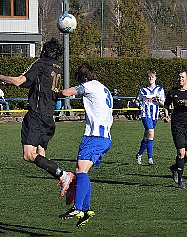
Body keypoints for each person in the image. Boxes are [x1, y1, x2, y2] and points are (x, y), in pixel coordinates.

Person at [0, 38, 74, 199]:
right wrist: (11, 82)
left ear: (45, 51)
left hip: (36, 115)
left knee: (28, 155)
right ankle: (69, 188)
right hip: (49, 117)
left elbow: (20, 81)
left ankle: (63, 175)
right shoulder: (58, 67)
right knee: (41, 153)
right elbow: (32, 83)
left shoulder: (41, 63)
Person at [58, 63, 113, 227]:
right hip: (104, 138)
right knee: (81, 171)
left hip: (94, 136)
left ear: (83, 78)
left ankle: (78, 208)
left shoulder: (89, 86)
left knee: (80, 171)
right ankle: (86, 209)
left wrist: (52, 89)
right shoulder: (103, 88)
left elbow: (65, 93)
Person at [135, 68, 165, 165]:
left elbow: (163, 103)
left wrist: (159, 100)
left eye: (152, 77)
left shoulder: (160, 89)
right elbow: (137, 100)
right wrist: (139, 104)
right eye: (149, 77)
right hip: (145, 115)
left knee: (146, 137)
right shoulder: (143, 90)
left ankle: (139, 154)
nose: (150, 79)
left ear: (155, 78)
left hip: (154, 116)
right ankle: (150, 158)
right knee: (151, 134)